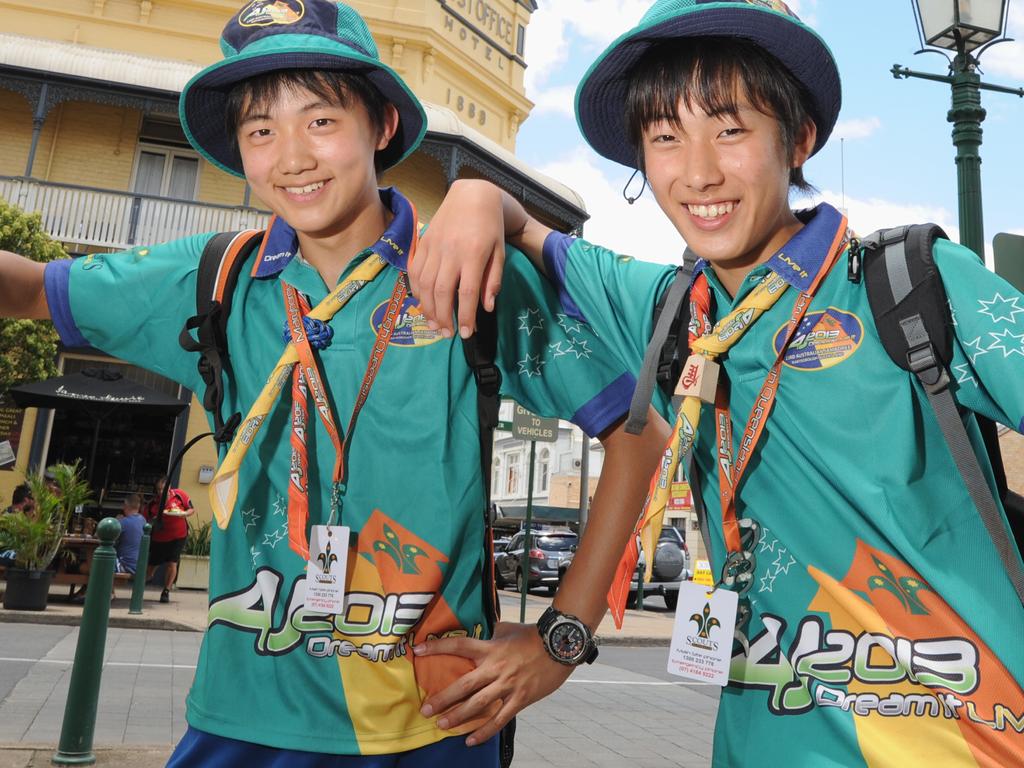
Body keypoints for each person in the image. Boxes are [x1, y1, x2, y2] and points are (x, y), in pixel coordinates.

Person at [0, 1, 666, 764]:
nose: (291, 157)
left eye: (320, 122)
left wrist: (561, 635)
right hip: (240, 725)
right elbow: (28, 289)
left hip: (432, 727)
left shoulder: (466, 273)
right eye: (261, 131)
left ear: (382, 124)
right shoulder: (214, 280)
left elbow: (637, 431)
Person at [410, 1, 1024, 765]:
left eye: (731, 130)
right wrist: (471, 196)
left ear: (796, 138)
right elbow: (526, 226)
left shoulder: (909, 286)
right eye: (666, 138)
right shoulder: (665, 310)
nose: (698, 173)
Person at [143, 475, 193, 604]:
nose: (161, 492)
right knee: (152, 566)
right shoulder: (153, 504)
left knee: (172, 563)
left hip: (178, 536)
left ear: (169, 487)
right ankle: (140, 587)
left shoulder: (180, 495)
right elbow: (145, 520)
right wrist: (153, 521)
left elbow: (191, 509)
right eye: (158, 489)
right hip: (159, 538)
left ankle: (166, 591)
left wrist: (185, 513)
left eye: (163, 489)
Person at [115, 492, 146, 576]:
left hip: (125, 565)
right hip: (138, 565)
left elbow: (103, 537)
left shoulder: (124, 522)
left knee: (91, 565)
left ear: (125, 505)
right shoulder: (143, 520)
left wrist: (116, 522)